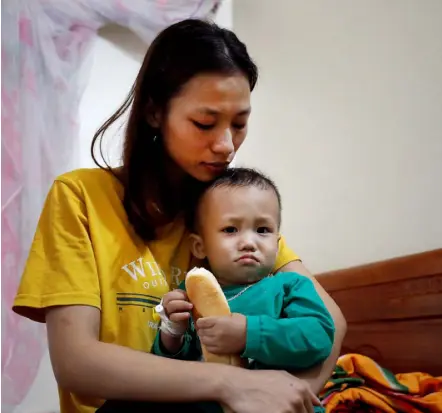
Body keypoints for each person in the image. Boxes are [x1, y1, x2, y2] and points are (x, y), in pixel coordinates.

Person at [12, 18, 346, 413]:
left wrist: (284, 398)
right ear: (155, 112)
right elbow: (76, 362)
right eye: (205, 123)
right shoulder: (80, 197)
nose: (226, 145)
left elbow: (332, 322)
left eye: (239, 124)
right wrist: (233, 385)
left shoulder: (230, 217)